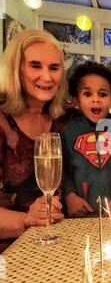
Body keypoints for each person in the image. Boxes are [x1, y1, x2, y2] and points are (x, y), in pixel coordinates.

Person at [0, 29, 67, 245]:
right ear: (16, 69)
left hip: (56, 246)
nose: (46, 77)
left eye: (54, 68)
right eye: (35, 65)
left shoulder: (64, 120)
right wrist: (28, 219)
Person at [61, 61, 111, 217]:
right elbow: (66, 173)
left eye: (102, 94)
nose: (96, 100)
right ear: (76, 100)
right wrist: (70, 196)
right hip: (83, 216)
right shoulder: (68, 132)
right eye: (87, 93)